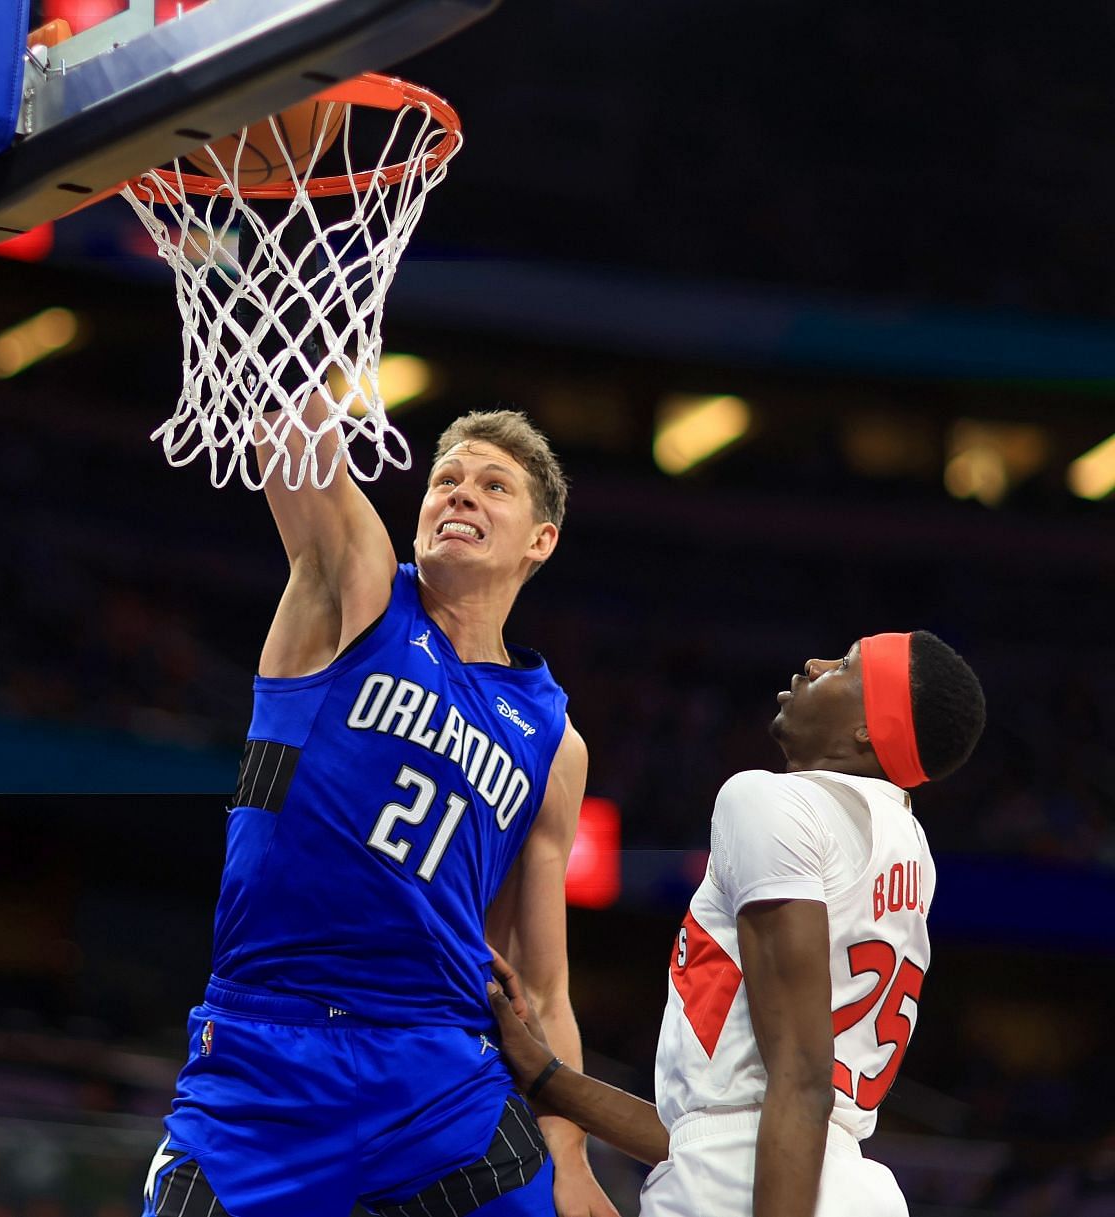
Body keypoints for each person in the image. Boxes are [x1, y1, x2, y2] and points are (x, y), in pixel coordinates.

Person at [141, 409, 615, 1217]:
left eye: (492, 486)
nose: (461, 496)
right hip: (268, 1045)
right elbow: (292, 442)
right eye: (446, 481)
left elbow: (541, 982)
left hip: (438, 1072)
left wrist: (570, 1155)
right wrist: (270, 302)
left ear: (540, 539)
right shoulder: (355, 590)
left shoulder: (554, 741)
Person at [483, 631, 986, 1217]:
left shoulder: (769, 800)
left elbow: (800, 1077)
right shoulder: (908, 847)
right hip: (832, 1179)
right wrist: (550, 1080)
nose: (815, 662)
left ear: (869, 728)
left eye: (845, 666)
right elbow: (713, 1131)